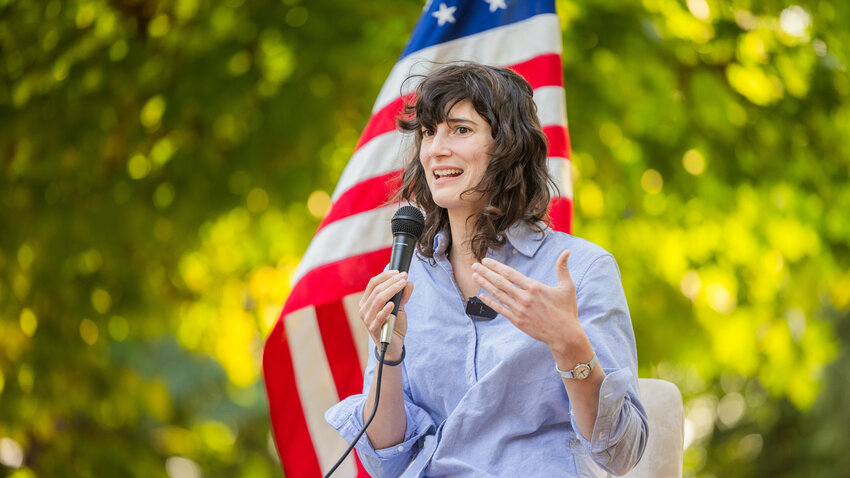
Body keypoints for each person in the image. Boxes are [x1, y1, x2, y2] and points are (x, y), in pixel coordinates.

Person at [325, 63, 648, 477]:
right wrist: (389, 350)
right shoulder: (408, 276)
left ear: (509, 146)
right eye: (428, 132)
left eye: (460, 130)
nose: (436, 149)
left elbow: (621, 453)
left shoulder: (581, 270)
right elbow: (387, 458)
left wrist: (569, 344)